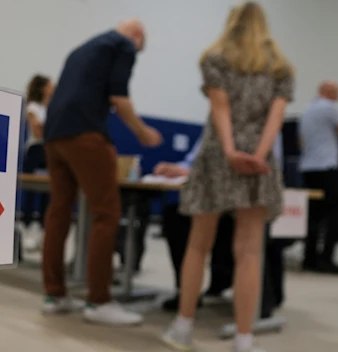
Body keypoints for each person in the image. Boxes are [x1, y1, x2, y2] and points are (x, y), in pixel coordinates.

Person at [162, 3, 295, 351]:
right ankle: (243, 339)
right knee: (249, 251)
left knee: (198, 244)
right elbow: (275, 120)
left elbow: (219, 108)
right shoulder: (281, 68)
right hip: (259, 163)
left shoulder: (214, 59)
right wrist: (258, 156)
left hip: (216, 156)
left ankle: (183, 327)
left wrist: (231, 151)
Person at [41, 19, 162, 325]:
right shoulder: (123, 45)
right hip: (85, 134)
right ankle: (99, 301)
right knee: (106, 214)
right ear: (138, 36)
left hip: (54, 136)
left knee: (58, 212)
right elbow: (119, 99)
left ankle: (54, 294)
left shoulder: (80, 50)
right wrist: (142, 132)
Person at [154, 137, 235, 311]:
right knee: (175, 215)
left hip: (235, 201)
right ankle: (187, 290)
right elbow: (194, 161)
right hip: (209, 197)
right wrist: (179, 169)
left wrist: (191, 172)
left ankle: (201, 290)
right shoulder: (211, 130)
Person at [299, 81, 338, 274]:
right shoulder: (331, 108)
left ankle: (309, 258)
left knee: (313, 215)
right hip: (327, 166)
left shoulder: (307, 109)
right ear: (328, 92)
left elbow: (301, 141)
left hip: (308, 167)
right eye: (337, 92)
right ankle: (326, 259)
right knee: (336, 214)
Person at [21, 75, 54, 250]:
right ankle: (27, 230)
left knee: (47, 194)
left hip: (49, 153)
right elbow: (37, 130)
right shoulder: (33, 107)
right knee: (32, 192)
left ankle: (43, 233)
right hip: (35, 152)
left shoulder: (51, 109)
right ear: (42, 88)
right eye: (50, 85)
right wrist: (47, 129)